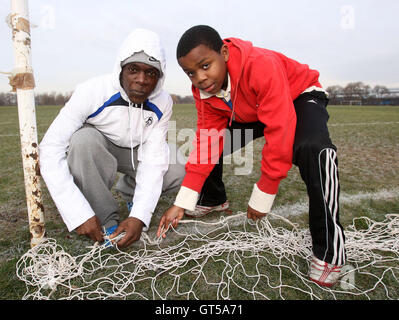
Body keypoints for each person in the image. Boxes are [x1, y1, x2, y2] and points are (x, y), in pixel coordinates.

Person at [157, 25, 345, 287]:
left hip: (297, 96)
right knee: (212, 144)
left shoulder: (261, 65)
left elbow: (279, 130)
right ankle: (213, 199)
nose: (199, 77)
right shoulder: (204, 91)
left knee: (314, 148)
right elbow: (207, 143)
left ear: (224, 52)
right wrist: (182, 201)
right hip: (251, 109)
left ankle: (330, 253)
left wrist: (264, 193)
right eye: (191, 72)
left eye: (205, 65)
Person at [39, 28, 185, 249]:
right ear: (121, 68)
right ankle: (106, 218)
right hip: (99, 148)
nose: (142, 80)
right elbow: (50, 148)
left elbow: (154, 158)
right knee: (83, 141)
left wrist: (140, 216)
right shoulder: (92, 91)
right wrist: (77, 212)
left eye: (151, 73)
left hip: (136, 151)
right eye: (133, 70)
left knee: (178, 166)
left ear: (160, 76)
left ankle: (130, 192)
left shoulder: (163, 102)